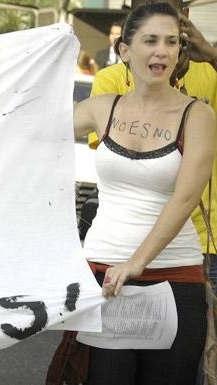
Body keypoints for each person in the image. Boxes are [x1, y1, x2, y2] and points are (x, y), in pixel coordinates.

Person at [74, 3, 215, 384]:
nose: (162, 51)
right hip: (105, 278)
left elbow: (184, 199)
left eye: (172, 42)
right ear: (125, 51)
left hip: (174, 281)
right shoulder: (102, 107)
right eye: (150, 40)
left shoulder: (198, 115)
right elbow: (25, 130)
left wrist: (137, 262)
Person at [90, 0, 217, 296]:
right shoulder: (111, 80)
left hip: (203, 243)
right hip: (121, 247)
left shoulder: (209, 72)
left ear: (184, 18)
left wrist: (211, 55)